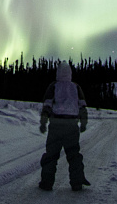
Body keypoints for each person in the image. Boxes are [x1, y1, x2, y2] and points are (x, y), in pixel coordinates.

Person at [39, 61, 90, 191]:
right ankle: (77, 183)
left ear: (58, 72)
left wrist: (43, 123)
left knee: (51, 156)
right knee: (74, 155)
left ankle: (46, 183)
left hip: (55, 126)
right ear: (70, 73)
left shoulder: (53, 86)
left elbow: (47, 106)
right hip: (72, 126)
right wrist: (83, 123)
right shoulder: (76, 87)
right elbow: (82, 107)